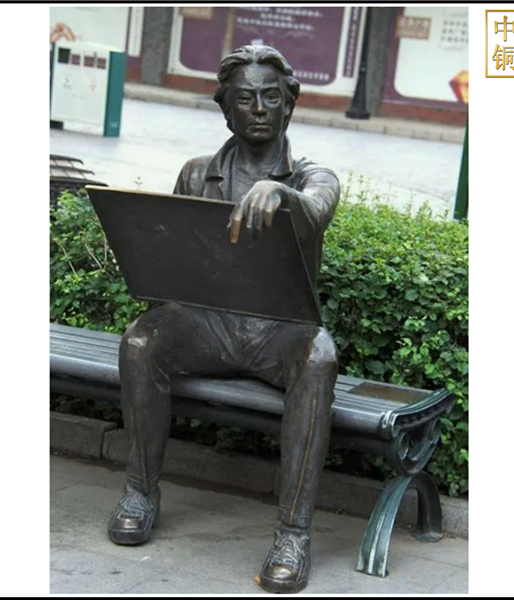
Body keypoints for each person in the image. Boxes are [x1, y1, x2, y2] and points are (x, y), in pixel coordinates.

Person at [107, 45, 340, 594]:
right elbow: (171, 260)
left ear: (290, 106)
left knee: (319, 358)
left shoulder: (313, 177)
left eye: (271, 98)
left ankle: (293, 535)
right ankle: (140, 493)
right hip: (208, 326)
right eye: (246, 99)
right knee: (140, 342)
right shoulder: (196, 174)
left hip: (280, 331)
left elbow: (316, 209)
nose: (259, 109)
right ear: (225, 109)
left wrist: (280, 193)